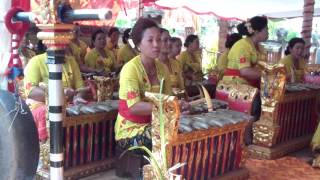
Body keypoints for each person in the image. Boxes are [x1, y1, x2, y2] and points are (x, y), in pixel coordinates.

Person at [114, 18, 173, 150]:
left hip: (155, 123)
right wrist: (168, 107)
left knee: (181, 130)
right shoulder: (131, 69)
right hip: (130, 129)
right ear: (138, 44)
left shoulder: (162, 69)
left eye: (158, 39)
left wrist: (179, 105)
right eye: (150, 40)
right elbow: (134, 107)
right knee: (163, 135)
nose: (156, 44)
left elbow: (169, 98)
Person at [24, 48, 88, 142]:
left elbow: (80, 87)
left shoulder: (71, 61)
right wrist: (60, 93)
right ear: (47, 44)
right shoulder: (36, 61)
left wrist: (78, 98)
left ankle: (78, 146)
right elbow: (31, 91)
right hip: (44, 104)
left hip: (69, 103)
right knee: (47, 113)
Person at [222, 16, 268, 88]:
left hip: (249, 86)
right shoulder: (243, 45)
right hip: (234, 87)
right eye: (266, 30)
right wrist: (268, 74)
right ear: (256, 32)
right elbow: (245, 72)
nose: (268, 33)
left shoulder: (261, 48)